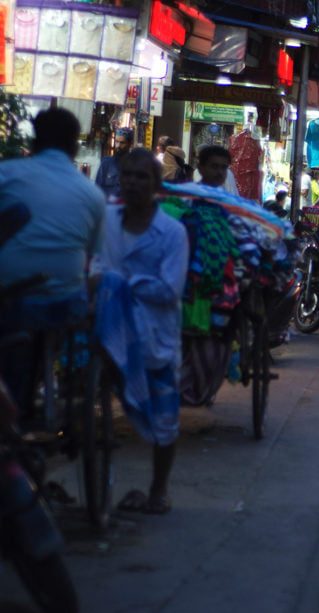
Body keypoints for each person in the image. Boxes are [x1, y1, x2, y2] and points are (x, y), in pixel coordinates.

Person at [90, 149, 189, 514]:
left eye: (141, 177)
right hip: (108, 329)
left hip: (153, 335)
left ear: (157, 184)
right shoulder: (107, 220)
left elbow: (169, 289)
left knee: (165, 422)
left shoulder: (173, 232)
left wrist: (119, 284)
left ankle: (159, 490)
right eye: (127, 175)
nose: (131, 182)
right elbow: (95, 264)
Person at [0, 108, 106, 410]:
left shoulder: (7, 174)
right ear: (74, 146)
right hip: (65, 301)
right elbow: (92, 255)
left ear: (33, 141)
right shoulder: (92, 193)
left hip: (12, 300)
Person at [96, 128, 133, 198]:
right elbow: (97, 189)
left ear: (130, 144)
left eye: (122, 143)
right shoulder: (106, 164)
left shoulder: (134, 166)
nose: (118, 146)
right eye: (116, 142)